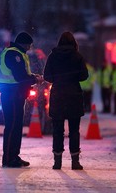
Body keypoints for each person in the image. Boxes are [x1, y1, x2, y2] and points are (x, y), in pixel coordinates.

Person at [43, 31, 88, 170]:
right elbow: (84, 76)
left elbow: (47, 76)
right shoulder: (77, 56)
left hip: (58, 95)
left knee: (57, 130)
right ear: (74, 42)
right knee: (74, 130)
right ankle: (75, 161)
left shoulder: (53, 56)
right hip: (74, 95)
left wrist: (58, 78)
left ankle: (57, 161)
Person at [0, 32, 43, 168]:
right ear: (24, 43)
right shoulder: (14, 54)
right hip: (12, 94)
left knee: (15, 126)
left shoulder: (15, 53)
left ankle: (13, 157)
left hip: (14, 93)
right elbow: (20, 77)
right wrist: (35, 79)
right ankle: (9, 159)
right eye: (29, 45)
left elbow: (21, 75)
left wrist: (33, 77)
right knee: (13, 126)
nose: (29, 48)